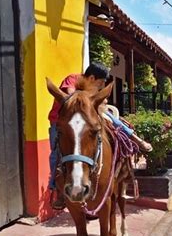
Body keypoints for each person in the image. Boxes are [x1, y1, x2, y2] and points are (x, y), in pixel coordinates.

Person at [48, 63, 151, 210]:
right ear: (91, 77)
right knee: (56, 153)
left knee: (113, 120)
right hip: (63, 123)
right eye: (101, 82)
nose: (102, 86)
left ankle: (132, 141)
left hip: (85, 120)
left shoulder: (93, 88)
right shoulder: (73, 79)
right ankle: (56, 189)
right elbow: (72, 95)